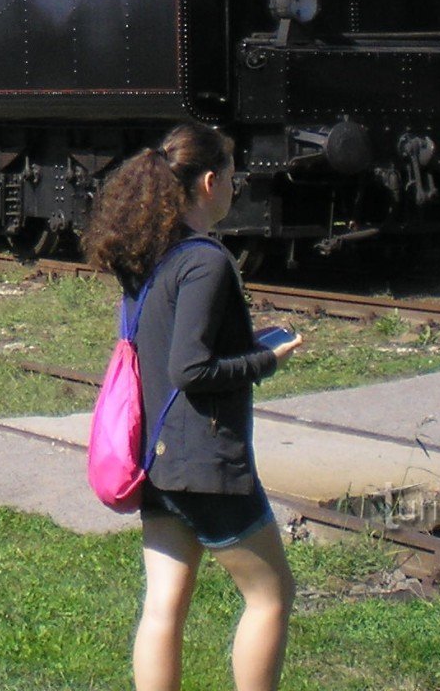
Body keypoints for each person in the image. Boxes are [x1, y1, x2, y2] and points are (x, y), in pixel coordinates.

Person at [82, 123, 297, 691]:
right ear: (209, 181)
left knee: (163, 607)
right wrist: (265, 360)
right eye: (232, 176)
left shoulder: (146, 258)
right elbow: (192, 369)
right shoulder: (206, 262)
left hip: (153, 462)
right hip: (204, 464)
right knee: (271, 595)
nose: (236, 186)